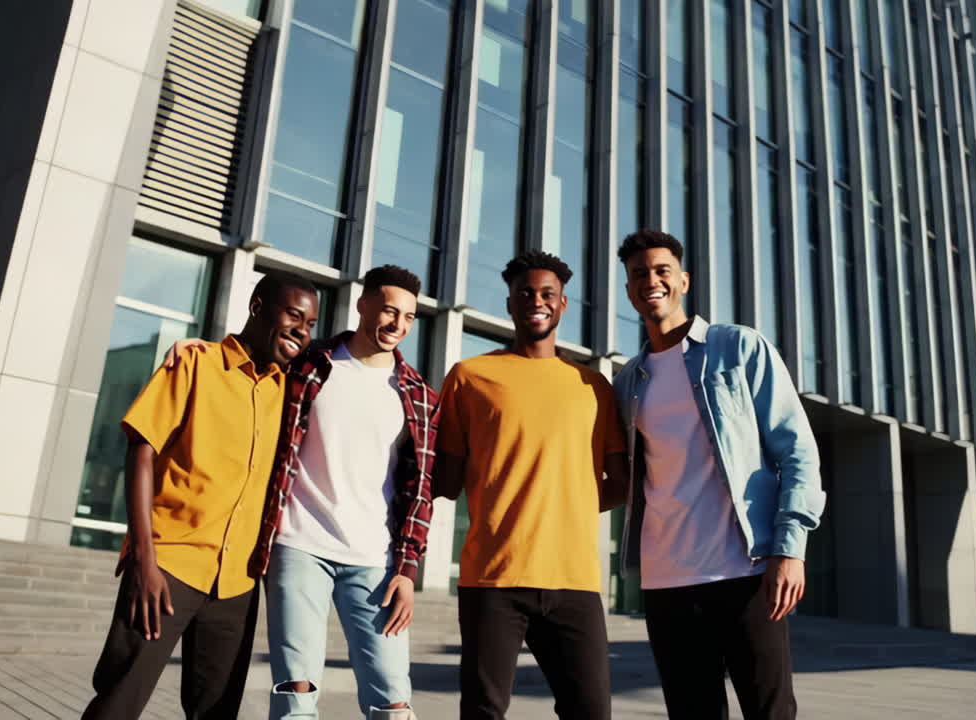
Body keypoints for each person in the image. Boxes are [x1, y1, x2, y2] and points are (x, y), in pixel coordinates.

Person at [162, 265, 438, 719]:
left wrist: (408, 569)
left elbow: (419, 489)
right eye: (390, 311)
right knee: (296, 690)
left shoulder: (418, 394)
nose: (398, 324)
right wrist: (201, 350)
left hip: (374, 559)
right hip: (298, 547)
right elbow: (246, 363)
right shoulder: (308, 363)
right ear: (363, 304)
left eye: (409, 317)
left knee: (392, 698)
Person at [82, 272, 319, 720]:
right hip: (169, 565)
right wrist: (144, 561)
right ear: (257, 307)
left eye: (310, 324)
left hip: (238, 582)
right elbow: (142, 451)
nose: (301, 331)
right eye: (293, 316)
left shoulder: (289, 391)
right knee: (119, 700)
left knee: (217, 712)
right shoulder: (195, 363)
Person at [611, 230, 826, 720]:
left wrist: (790, 548)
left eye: (662, 270)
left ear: (683, 280)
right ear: (628, 290)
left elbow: (797, 450)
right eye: (639, 274)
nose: (651, 280)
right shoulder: (628, 382)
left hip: (745, 571)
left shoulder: (738, 347)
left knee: (770, 711)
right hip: (666, 580)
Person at [433, 251, 628, 720]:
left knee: (591, 712)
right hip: (493, 578)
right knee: (483, 712)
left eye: (547, 294)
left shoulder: (594, 386)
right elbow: (446, 480)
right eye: (525, 293)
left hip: (574, 580)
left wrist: (563, 506)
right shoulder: (470, 377)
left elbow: (621, 484)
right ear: (509, 303)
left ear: (563, 305)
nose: (536, 301)